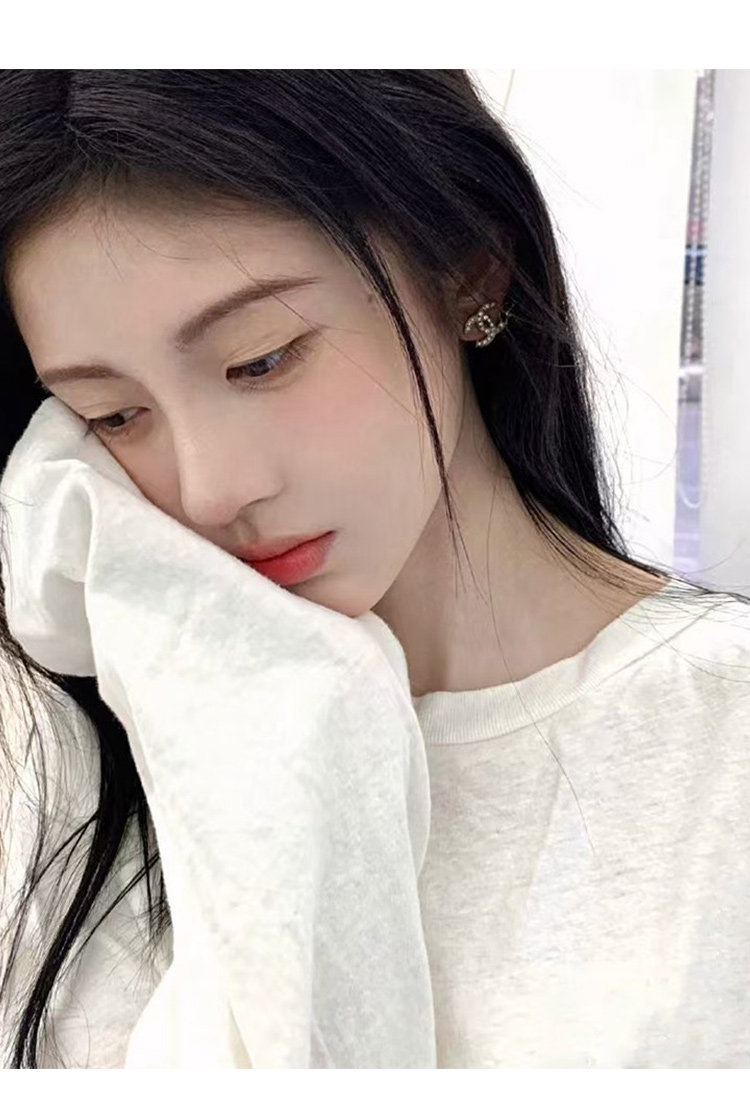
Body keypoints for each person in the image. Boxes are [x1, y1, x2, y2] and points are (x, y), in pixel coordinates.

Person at [0, 69, 748, 1069]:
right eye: (114, 414)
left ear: (468, 270)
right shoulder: (55, 750)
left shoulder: (720, 739)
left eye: (262, 358)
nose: (210, 489)